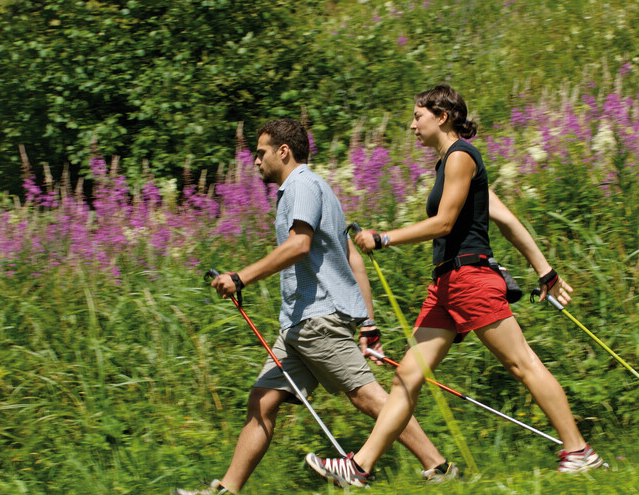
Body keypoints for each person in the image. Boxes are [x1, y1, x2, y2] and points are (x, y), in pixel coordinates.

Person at [305, 85, 607, 488]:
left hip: (471, 279)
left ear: (442, 116)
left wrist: (385, 238)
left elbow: (445, 222)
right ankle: (359, 467)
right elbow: (505, 218)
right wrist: (545, 272)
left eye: (418, 116)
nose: (412, 125)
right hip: (446, 286)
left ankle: (579, 452)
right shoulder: (450, 164)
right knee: (407, 376)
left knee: (522, 363)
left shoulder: (462, 156)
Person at [174, 119, 457, 495]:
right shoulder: (319, 189)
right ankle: (226, 490)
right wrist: (368, 323)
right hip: (298, 323)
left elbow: (299, 245)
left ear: (283, 151)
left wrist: (240, 278)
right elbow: (352, 258)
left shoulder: (301, 185)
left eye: (261, 153)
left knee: (366, 395)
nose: (256, 161)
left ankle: (438, 466)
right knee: (262, 401)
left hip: (317, 318)